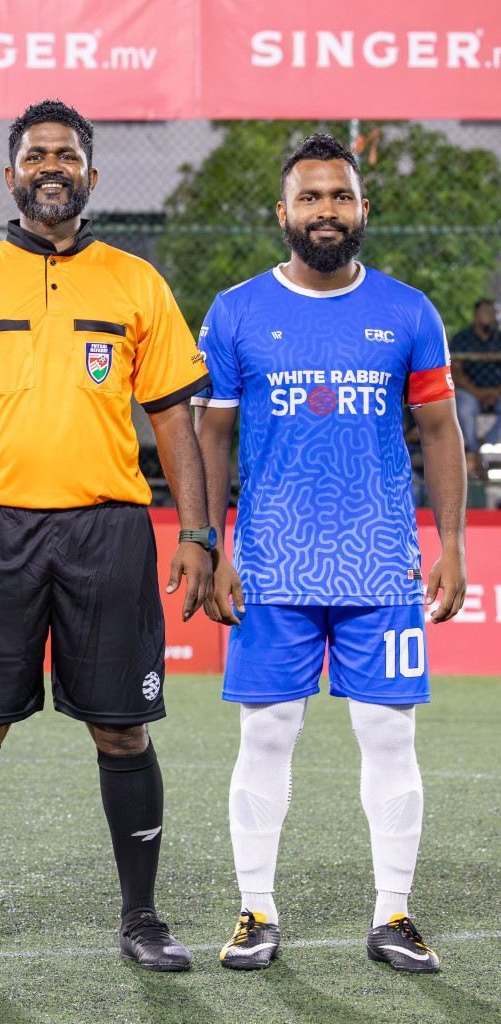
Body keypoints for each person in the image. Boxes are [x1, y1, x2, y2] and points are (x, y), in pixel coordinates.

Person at [0, 99, 213, 972]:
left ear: (91, 176)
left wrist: (200, 532)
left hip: (108, 529)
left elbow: (175, 420)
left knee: (124, 731)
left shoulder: (136, 283)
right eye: (36, 154)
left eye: (67, 153)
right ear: (12, 175)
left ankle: (141, 917)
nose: (52, 165)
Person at [195, 133, 466, 974]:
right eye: (309, 198)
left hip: (382, 564)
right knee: (266, 736)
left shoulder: (410, 310)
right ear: (283, 213)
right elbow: (210, 434)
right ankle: (255, 912)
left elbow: (440, 430)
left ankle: (393, 913)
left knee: (390, 739)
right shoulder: (236, 311)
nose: (325, 212)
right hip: (270, 563)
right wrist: (209, 542)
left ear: (362, 209)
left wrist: (450, 541)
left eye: (339, 197)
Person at [448, 299, 500, 462]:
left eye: (492, 313)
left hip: (496, 391)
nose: (490, 317)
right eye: (486, 313)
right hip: (469, 391)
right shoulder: (462, 338)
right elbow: (456, 371)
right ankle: (472, 450)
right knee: (463, 407)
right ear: (476, 315)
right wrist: (479, 393)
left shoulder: (499, 338)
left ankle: (486, 444)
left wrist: (496, 392)